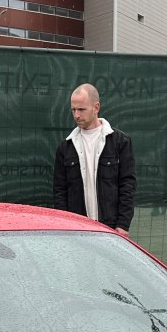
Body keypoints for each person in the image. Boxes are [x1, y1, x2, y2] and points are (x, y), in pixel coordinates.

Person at [52, 83, 136, 235]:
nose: (76, 115)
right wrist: (64, 224)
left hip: (111, 228)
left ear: (96, 107)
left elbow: (127, 185)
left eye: (81, 109)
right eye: (73, 110)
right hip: (76, 228)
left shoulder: (120, 142)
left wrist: (123, 224)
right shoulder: (66, 147)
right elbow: (60, 191)